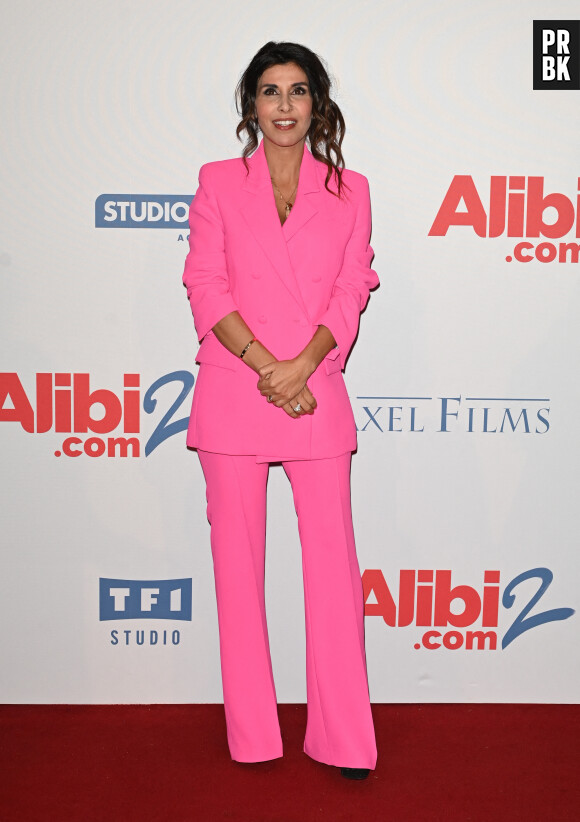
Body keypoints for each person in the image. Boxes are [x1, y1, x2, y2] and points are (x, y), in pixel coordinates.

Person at [182, 41, 378, 780]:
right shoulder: (217, 183)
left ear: (317, 103)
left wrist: (301, 368)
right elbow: (205, 283)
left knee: (333, 568)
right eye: (271, 91)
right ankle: (253, 736)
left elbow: (352, 288)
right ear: (251, 106)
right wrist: (269, 366)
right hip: (239, 390)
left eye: (299, 91)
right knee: (238, 572)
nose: (286, 105)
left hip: (315, 387)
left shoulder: (352, 189)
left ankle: (343, 739)